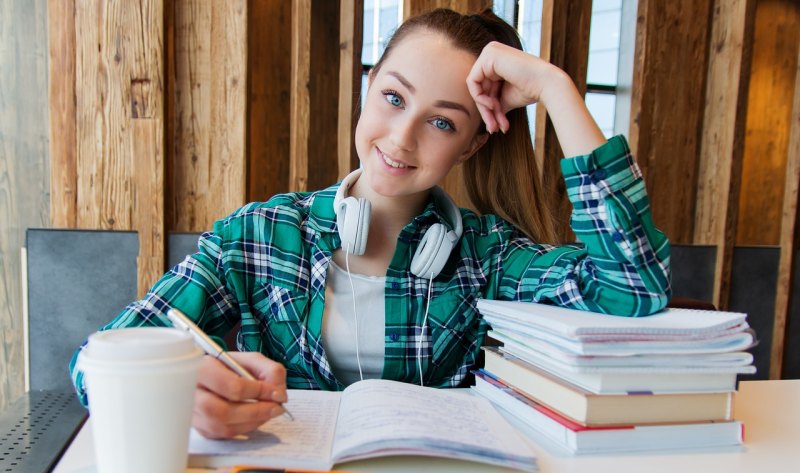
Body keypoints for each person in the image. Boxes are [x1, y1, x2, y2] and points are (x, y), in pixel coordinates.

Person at [69, 8, 671, 439]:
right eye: (393, 97)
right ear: (367, 89)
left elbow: (633, 287)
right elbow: (93, 365)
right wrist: (181, 391)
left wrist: (557, 89)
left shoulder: (488, 258)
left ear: (468, 148)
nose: (401, 137)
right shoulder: (254, 238)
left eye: (442, 123)